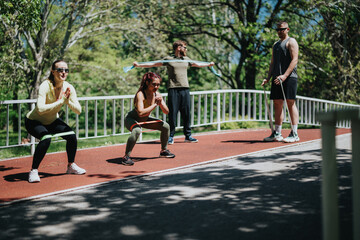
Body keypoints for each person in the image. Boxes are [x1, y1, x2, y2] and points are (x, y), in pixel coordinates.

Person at [133, 40, 215, 144]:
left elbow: (197, 64)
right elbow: (153, 63)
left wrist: (209, 64)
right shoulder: (169, 59)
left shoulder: (186, 59)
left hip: (185, 89)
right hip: (173, 89)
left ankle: (188, 135)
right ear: (178, 48)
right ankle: (170, 136)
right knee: (172, 113)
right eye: (184, 47)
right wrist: (138, 65)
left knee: (186, 113)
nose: (186, 49)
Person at [25, 60, 86, 183]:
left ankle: (70, 166)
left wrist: (67, 101)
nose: (63, 72)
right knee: (46, 138)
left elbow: (78, 110)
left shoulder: (68, 87)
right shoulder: (45, 86)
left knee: (71, 136)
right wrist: (61, 101)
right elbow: (40, 109)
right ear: (53, 71)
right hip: (34, 121)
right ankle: (34, 170)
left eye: (66, 70)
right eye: (60, 70)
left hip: (52, 120)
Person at [122, 72, 175, 165]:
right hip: (131, 119)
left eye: (158, 85)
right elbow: (141, 113)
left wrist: (161, 101)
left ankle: (164, 151)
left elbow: (166, 111)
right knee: (137, 130)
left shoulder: (156, 94)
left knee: (166, 126)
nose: (156, 87)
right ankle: (126, 157)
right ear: (147, 83)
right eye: (154, 84)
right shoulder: (140, 94)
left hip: (144, 119)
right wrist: (155, 104)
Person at [261, 21, 300, 143]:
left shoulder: (291, 42)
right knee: (277, 104)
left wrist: (284, 75)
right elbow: (272, 63)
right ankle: (277, 133)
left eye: (282, 29)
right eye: (277, 30)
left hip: (289, 77)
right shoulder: (276, 45)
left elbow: (294, 60)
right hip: (276, 78)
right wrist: (268, 78)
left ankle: (294, 133)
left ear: (287, 29)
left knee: (290, 103)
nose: (279, 32)